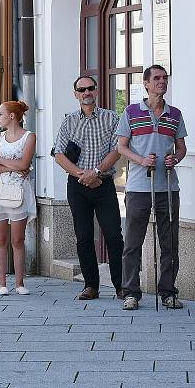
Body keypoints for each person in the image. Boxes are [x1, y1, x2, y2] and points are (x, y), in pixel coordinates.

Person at [116, 64, 187, 310]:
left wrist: (175, 159)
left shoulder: (175, 114)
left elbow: (181, 148)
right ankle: (131, 293)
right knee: (133, 242)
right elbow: (121, 147)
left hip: (167, 186)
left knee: (169, 243)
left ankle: (168, 292)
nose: (161, 82)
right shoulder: (131, 112)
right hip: (138, 187)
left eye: (164, 78)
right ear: (146, 84)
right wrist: (141, 159)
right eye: (156, 78)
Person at [53, 75, 123, 300]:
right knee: (83, 236)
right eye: (81, 90)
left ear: (97, 90)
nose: (86, 93)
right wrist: (81, 174)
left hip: (104, 184)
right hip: (78, 186)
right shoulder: (69, 121)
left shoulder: (112, 118)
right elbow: (58, 153)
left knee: (113, 235)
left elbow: (117, 150)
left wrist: (96, 172)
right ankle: (91, 285)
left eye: (90, 88)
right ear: (75, 94)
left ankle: (121, 285)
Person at [0, 100, 37, 296]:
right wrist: (11, 165)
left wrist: (2, 160)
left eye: (0, 114)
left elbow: (24, 163)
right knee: (0, 238)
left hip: (19, 191)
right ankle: (1, 283)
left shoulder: (29, 137)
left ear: (12, 116)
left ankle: (20, 282)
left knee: (18, 239)